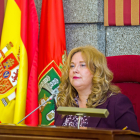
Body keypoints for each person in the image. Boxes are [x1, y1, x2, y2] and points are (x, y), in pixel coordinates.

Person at [54, 45, 139, 132]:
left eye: (82, 65)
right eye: (72, 66)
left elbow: (131, 137)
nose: (75, 70)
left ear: (96, 71)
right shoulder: (63, 103)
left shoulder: (116, 103)